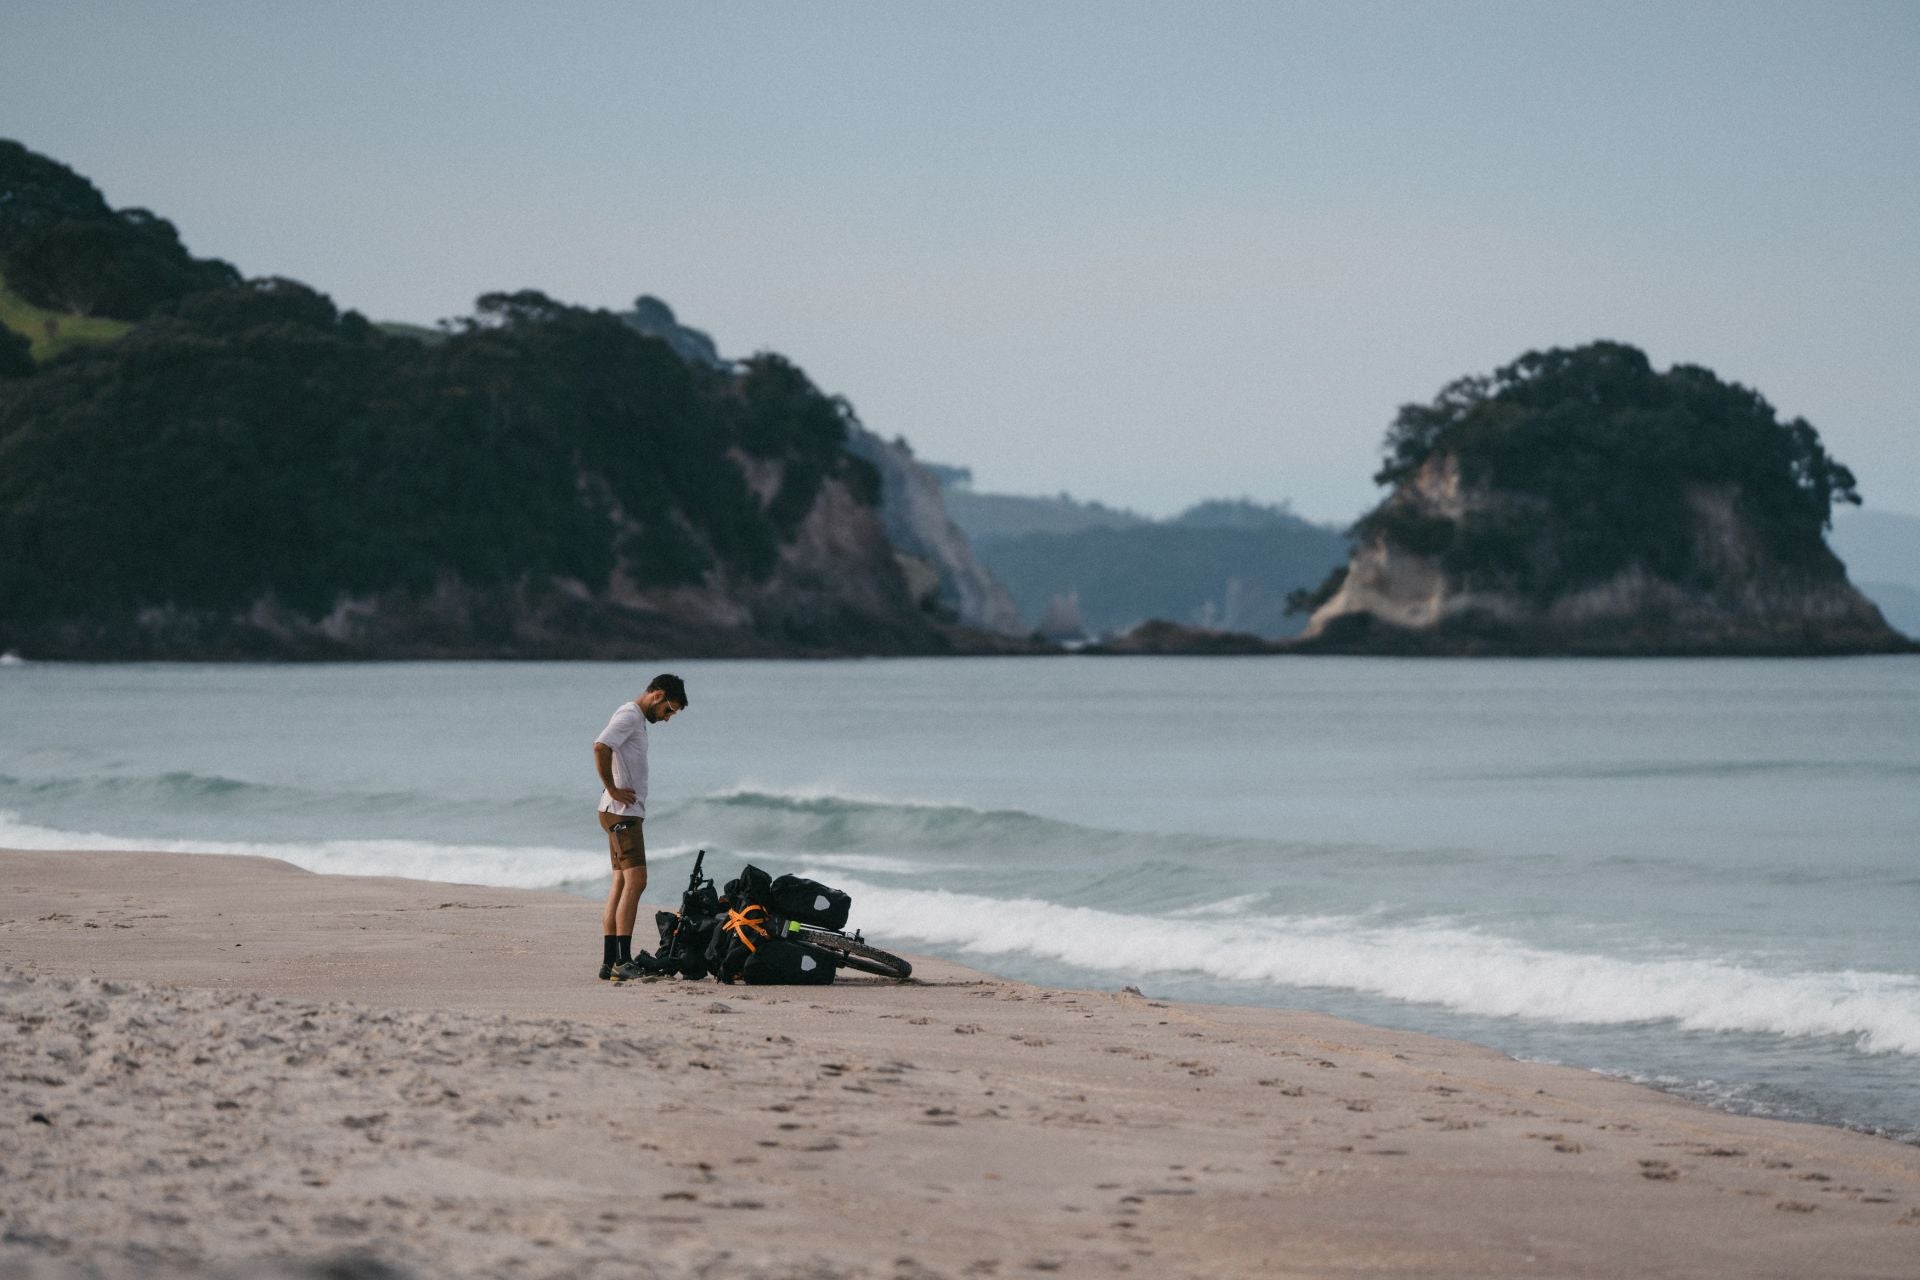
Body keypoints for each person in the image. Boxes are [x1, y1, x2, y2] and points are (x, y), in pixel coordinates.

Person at [593, 673, 687, 980]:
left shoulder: (634, 719)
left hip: (617, 812)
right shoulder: (630, 715)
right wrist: (613, 788)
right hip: (622, 814)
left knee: (621, 883)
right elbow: (601, 746)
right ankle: (622, 960)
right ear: (658, 696)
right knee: (637, 882)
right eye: (669, 710)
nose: (668, 717)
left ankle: (610, 962)